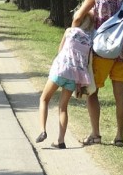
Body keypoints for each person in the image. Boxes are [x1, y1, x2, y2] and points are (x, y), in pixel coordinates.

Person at [70, 0, 123, 147]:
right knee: (120, 95)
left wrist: (72, 36)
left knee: (92, 92)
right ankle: (119, 137)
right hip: (122, 50)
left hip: (101, 50)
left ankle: (96, 134)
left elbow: (77, 17)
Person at [36, 15, 94, 149]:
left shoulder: (70, 31)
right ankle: (60, 141)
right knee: (63, 107)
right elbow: (86, 63)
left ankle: (42, 130)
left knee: (44, 99)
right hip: (74, 76)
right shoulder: (89, 41)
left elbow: (60, 50)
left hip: (60, 70)